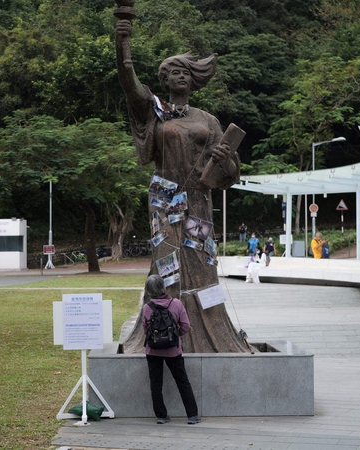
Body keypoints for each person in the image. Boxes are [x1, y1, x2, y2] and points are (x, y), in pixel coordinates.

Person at [115, 18, 249, 354]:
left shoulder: (208, 120)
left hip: (198, 199)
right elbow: (128, 81)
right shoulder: (155, 113)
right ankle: (160, 332)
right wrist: (124, 42)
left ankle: (210, 334)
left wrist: (223, 158)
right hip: (164, 195)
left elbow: (231, 173)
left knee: (201, 261)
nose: (181, 75)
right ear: (164, 79)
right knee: (166, 261)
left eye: (186, 71)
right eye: (174, 71)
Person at [141, 275, 201, 425]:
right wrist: (175, 336)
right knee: (182, 381)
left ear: (148, 290)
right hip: (173, 350)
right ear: (163, 286)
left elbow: (145, 329)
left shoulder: (147, 308)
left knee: (156, 383)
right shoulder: (176, 304)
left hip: (153, 351)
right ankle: (192, 415)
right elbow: (186, 326)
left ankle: (161, 416)